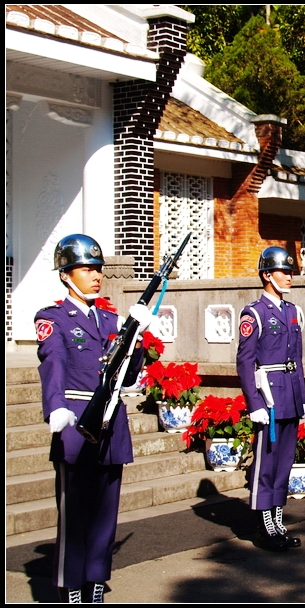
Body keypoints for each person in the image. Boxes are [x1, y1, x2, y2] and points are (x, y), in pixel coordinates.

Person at [36, 234, 154, 603]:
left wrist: (137, 336)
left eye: (98, 268)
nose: (96, 275)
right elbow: (53, 363)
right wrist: (55, 405)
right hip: (75, 422)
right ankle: (72, 587)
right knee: (76, 513)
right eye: (87, 268)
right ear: (66, 274)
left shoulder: (110, 318)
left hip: (111, 424)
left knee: (106, 513)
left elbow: (129, 374)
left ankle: (95, 585)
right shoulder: (52, 318)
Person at [236, 246, 305, 553]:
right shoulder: (254, 313)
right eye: (283, 271)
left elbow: (298, 358)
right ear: (267, 275)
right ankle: (265, 525)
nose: (289, 277)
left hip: (290, 393)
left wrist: (302, 396)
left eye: (291, 272)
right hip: (269, 396)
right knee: (267, 462)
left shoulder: (292, 312)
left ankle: (279, 520)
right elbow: (244, 362)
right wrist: (254, 404)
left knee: (284, 462)